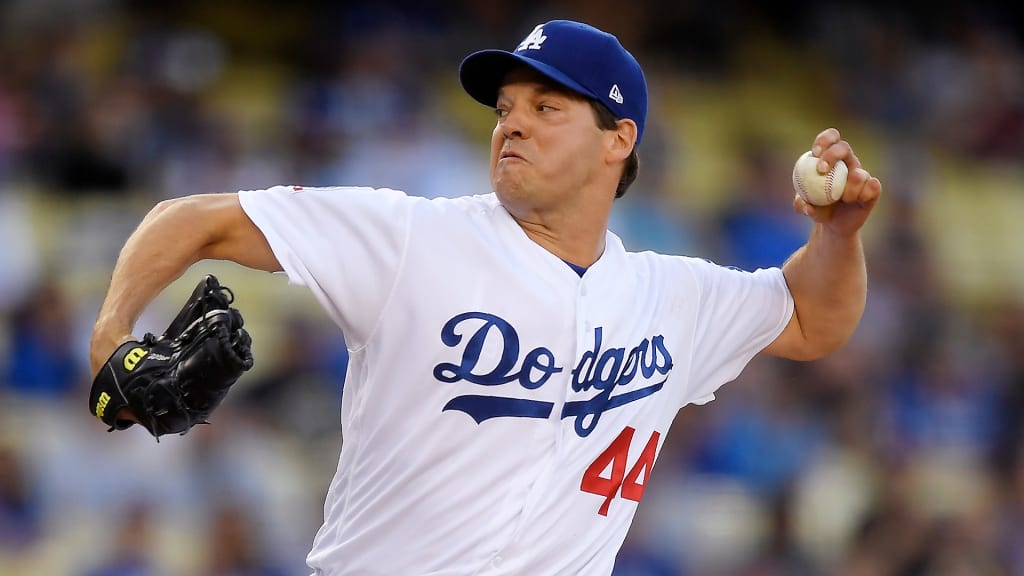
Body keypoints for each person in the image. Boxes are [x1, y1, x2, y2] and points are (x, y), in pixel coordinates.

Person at [88, 19, 882, 576]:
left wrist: (837, 236)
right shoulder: (412, 239)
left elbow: (813, 319)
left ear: (619, 139)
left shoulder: (670, 295)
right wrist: (110, 335)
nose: (512, 126)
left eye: (546, 108)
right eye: (505, 108)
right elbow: (190, 219)